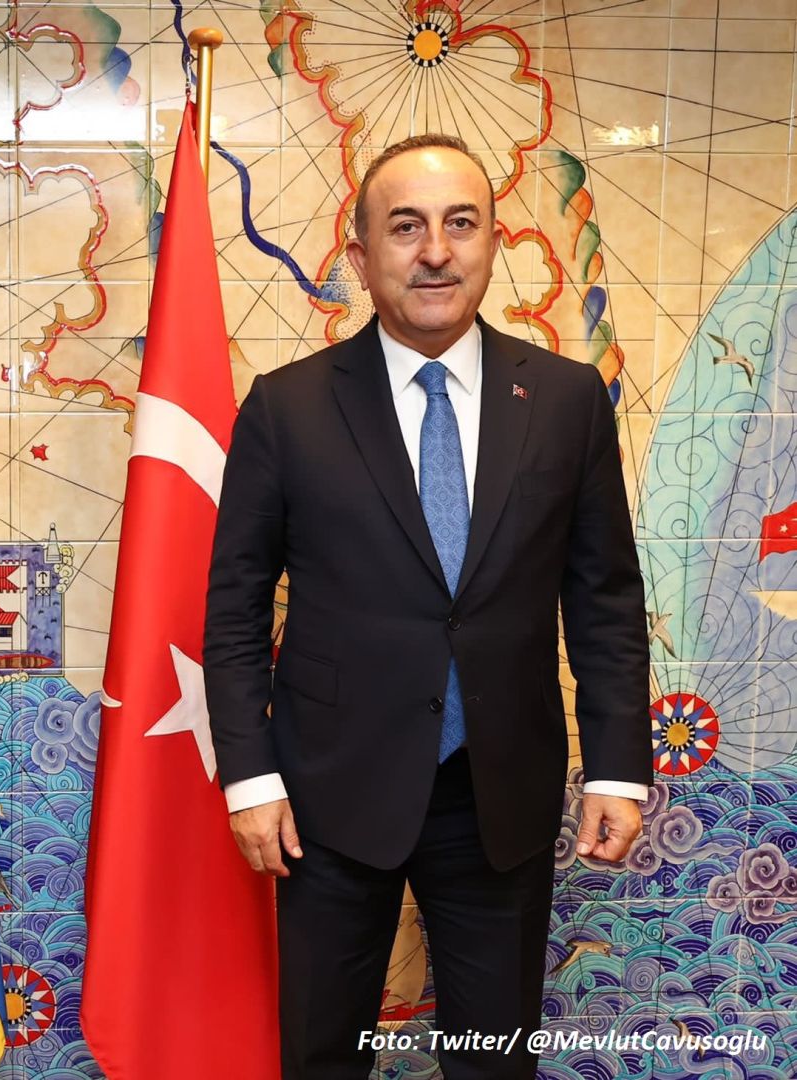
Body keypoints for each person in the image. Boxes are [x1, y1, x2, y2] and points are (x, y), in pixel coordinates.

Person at [203, 133, 649, 1080]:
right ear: (361, 255)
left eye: (461, 224)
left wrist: (618, 767)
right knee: (321, 1056)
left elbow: (605, 599)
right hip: (325, 799)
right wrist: (250, 779)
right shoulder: (286, 409)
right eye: (405, 227)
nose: (436, 251)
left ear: (494, 243)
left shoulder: (566, 400)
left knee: (494, 1061)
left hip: (500, 794)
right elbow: (234, 610)